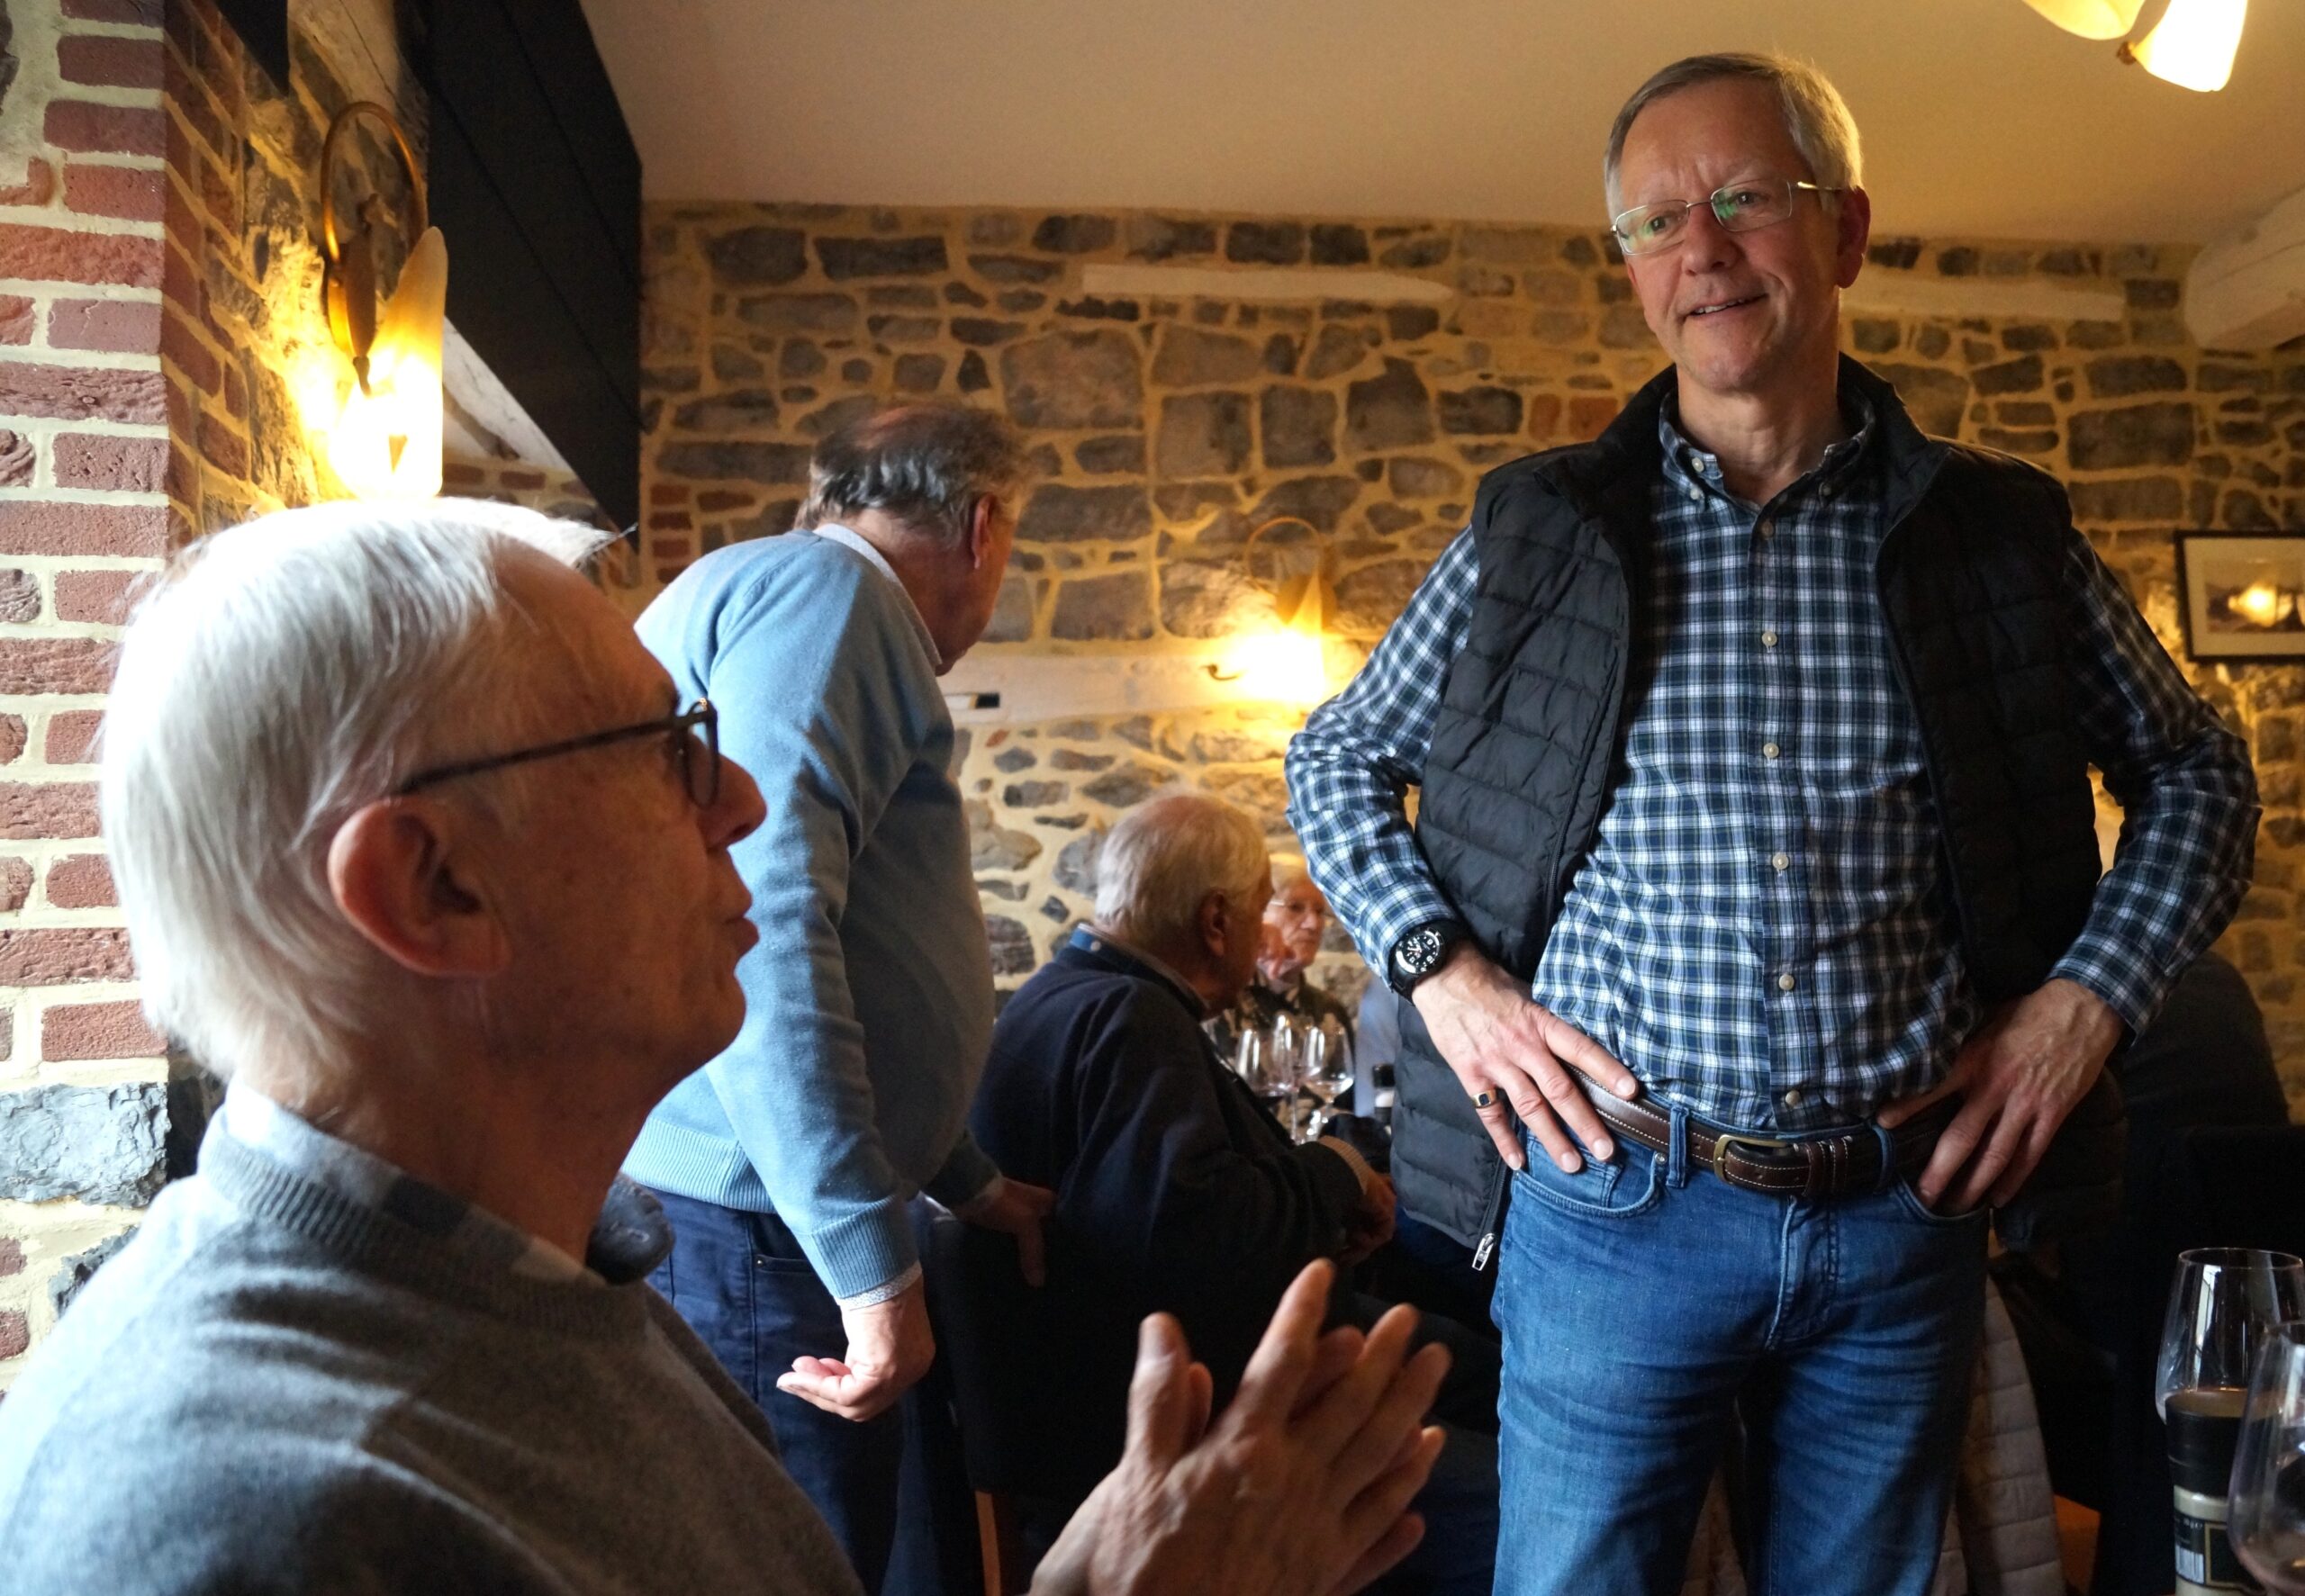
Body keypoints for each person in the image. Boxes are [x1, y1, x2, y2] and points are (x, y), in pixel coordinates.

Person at [0, 500, 1452, 1596]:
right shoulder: (269, 1515)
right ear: (433, 886)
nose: (741, 801)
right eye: (667, 747)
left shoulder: (545, 1274)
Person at [1285, 50, 2258, 1596]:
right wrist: (1447, 984)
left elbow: (2200, 770)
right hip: (1609, 1206)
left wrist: (2083, 1011)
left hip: (1903, 1213)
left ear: (1845, 229)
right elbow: (1335, 760)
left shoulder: (1998, 532)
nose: (1702, 250)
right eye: (1655, 222)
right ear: (1630, 269)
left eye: (1744, 198)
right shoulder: (1536, 530)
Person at [622, 403, 1055, 1588]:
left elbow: (859, 950)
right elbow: (760, 927)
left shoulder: (795, 596)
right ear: (982, 526)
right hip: (759, 1230)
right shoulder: (835, 598)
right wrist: (871, 1264)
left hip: (762, 1219)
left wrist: (963, 1177)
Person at [971, 794, 1501, 1596]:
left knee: (1474, 1365)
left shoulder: (1061, 991)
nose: (1263, 937)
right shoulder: (1130, 1016)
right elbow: (1198, 1246)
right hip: (1175, 1416)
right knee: (1528, 1501)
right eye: (1260, 911)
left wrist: (1322, 1200)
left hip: (1135, 1375)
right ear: (1217, 921)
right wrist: (1338, 1172)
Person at [1206, 862, 1357, 1068]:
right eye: (1295, 907)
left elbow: (1347, 1086)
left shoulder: (1329, 1011)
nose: (1313, 924)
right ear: (1259, 912)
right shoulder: (1219, 997)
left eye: (1319, 911)